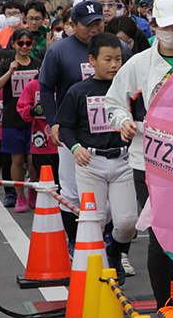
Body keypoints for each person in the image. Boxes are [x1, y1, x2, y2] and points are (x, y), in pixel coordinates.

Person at [104, 0, 173, 318]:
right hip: (150, 159)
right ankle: (165, 306)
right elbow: (114, 101)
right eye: (166, 26)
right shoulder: (138, 63)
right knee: (161, 230)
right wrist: (123, 120)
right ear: (153, 25)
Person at [54, 33, 137, 285]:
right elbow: (64, 126)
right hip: (90, 163)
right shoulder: (78, 90)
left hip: (124, 161)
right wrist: (75, 146)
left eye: (119, 59)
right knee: (95, 220)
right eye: (107, 59)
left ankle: (114, 255)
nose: (114, 65)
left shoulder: (130, 90)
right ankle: (94, 269)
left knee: (127, 222)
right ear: (92, 60)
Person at [39, 0, 107, 253]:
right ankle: (73, 240)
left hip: (107, 131)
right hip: (72, 131)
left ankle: (106, 240)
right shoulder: (59, 51)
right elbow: (46, 89)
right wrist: (54, 122)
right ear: (72, 25)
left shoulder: (113, 46)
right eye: (88, 24)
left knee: (108, 196)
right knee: (71, 191)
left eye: (98, 22)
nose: (94, 28)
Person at [0, 28, 41, 212]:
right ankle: (20, 197)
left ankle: (32, 192)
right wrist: (10, 72)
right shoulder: (7, 65)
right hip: (12, 118)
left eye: (28, 43)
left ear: (32, 44)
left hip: (35, 118)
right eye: (21, 43)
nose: (25, 47)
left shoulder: (37, 64)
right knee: (17, 160)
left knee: (33, 158)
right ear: (13, 44)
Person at [17, 67, 59, 186]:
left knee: (64, 183)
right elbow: (21, 107)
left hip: (64, 141)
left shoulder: (66, 84)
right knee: (46, 181)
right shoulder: (33, 85)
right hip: (42, 141)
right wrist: (32, 110)